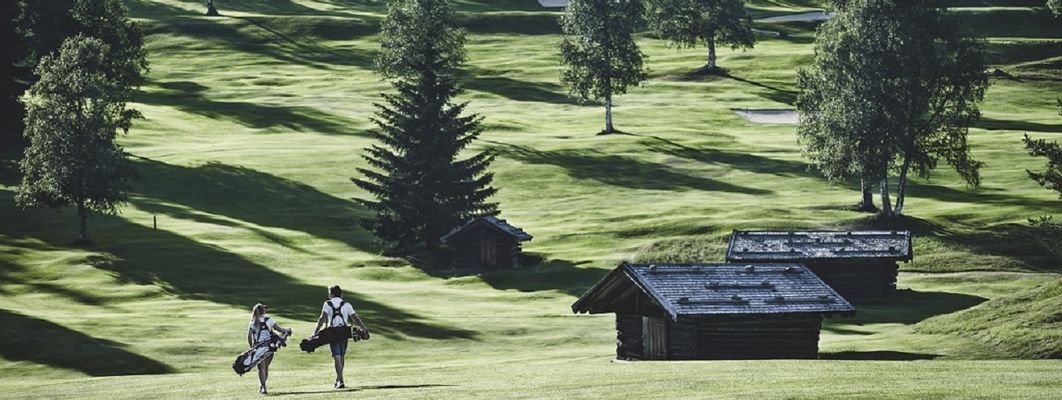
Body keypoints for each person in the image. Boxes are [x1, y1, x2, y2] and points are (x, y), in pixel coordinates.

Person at [313, 285, 370, 389]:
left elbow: (321, 319)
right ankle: (338, 379)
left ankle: (341, 381)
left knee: (336, 356)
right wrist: (364, 328)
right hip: (344, 332)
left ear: (332, 293)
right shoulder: (347, 305)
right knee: (342, 356)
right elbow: (355, 318)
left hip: (332, 332)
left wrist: (315, 332)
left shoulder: (327, 304)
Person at [248, 303, 292, 395]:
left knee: (261, 368)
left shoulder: (253, 322)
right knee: (266, 367)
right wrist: (287, 330)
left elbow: (249, 337)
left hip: (258, 347)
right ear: (263, 311)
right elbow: (279, 329)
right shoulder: (269, 320)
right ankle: (262, 386)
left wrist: (252, 347)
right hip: (269, 347)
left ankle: (263, 387)